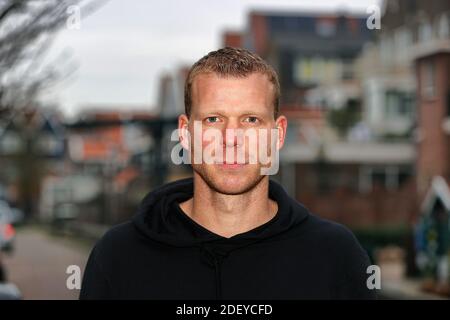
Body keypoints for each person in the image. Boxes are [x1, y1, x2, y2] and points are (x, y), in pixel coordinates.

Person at [80, 47, 376, 300]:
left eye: (250, 119)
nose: (231, 137)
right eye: (213, 119)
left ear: (278, 134)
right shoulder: (119, 257)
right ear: (185, 134)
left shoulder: (336, 258)